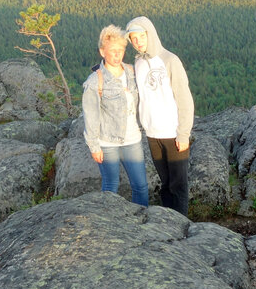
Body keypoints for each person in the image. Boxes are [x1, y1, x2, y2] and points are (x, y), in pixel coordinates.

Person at [125, 16, 194, 216]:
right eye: (133, 38)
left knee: (178, 184)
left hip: (173, 133)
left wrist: (183, 133)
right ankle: (168, 223)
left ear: (150, 34)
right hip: (152, 133)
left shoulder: (170, 60)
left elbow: (184, 99)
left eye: (141, 36)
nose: (138, 41)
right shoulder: (138, 63)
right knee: (165, 183)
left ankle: (182, 225)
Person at [82, 25, 149, 206]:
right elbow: (91, 116)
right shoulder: (95, 81)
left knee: (141, 186)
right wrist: (94, 146)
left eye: (120, 50)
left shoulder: (132, 72)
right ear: (102, 52)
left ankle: (141, 224)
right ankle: (108, 223)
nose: (117, 55)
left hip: (133, 138)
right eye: (112, 51)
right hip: (107, 141)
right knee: (111, 185)